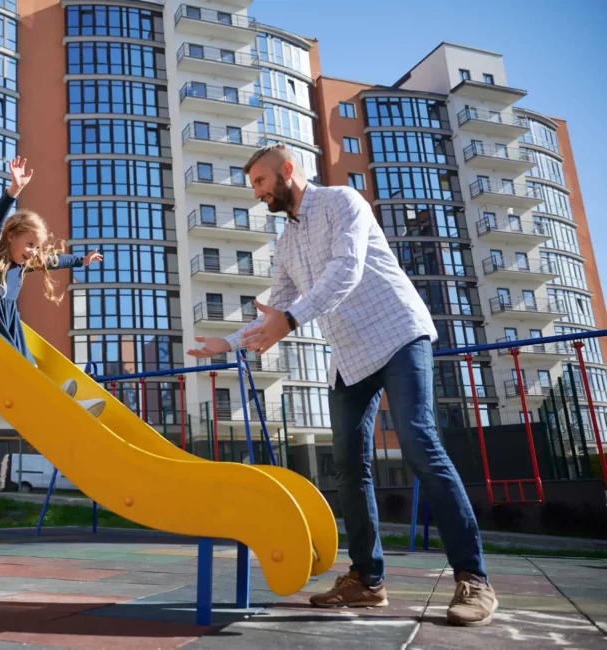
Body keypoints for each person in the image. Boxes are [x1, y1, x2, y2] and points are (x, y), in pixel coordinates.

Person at [187, 143, 498, 627]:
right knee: (350, 464)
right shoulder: (287, 243)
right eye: (254, 186)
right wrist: (226, 345)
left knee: (419, 444)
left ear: (287, 171)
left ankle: (473, 580)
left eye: (261, 182)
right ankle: (367, 580)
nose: (257, 193)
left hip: (397, 332)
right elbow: (279, 306)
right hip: (351, 354)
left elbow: (344, 271)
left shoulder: (343, 202)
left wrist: (288, 320)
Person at [0, 156, 106, 417]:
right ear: (11, 236)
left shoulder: (22, 265)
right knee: (19, 366)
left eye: (37, 246)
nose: (33, 251)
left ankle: (63, 404)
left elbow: (53, 260)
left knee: (28, 365)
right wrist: (14, 191)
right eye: (30, 244)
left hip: (4, 325)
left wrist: (83, 260)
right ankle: (57, 398)